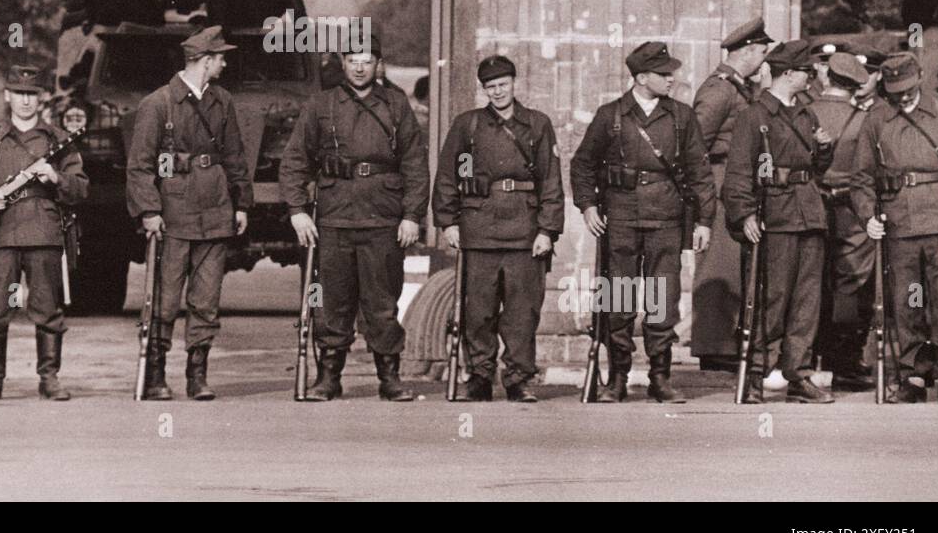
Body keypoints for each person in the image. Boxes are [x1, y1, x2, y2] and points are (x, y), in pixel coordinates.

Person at [279, 33, 429, 401]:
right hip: (334, 217)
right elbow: (295, 161)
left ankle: (389, 378)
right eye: (353, 59)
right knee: (333, 301)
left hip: (383, 216)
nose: (360, 66)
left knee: (382, 302)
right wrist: (298, 211)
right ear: (342, 63)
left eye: (367, 60)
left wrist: (412, 215)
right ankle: (329, 377)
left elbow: (415, 163)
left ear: (377, 64)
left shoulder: (395, 104)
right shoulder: (321, 105)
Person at [569, 42, 715, 403]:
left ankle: (660, 377)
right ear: (640, 77)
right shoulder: (611, 115)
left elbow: (699, 171)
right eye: (663, 74)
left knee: (662, 299)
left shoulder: (681, 117)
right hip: (619, 217)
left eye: (671, 73)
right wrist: (588, 206)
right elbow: (583, 164)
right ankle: (617, 376)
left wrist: (704, 221)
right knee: (618, 298)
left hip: (666, 218)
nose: (671, 79)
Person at [125, 26, 253, 400]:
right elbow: (140, 166)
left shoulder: (222, 101)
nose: (225, 63)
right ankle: (156, 374)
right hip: (173, 213)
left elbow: (234, 156)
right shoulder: (158, 103)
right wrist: (149, 210)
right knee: (163, 299)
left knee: (206, 299)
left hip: (215, 210)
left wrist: (242, 202)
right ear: (204, 61)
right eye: (220, 57)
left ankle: (197, 374)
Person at [431, 55, 564, 401]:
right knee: (478, 310)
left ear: (514, 83)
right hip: (480, 229)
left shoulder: (536, 125)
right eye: (491, 87)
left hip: (524, 230)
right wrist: (448, 221)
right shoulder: (469, 127)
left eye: (503, 84)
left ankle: (518, 378)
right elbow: (452, 176)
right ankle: (479, 375)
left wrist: (547, 230)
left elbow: (550, 181)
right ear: (484, 90)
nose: (498, 92)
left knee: (522, 312)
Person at [0, 66, 89, 401]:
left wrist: (56, 178)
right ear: (8, 96)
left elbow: (82, 188)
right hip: (0, 235)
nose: (26, 101)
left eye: (32, 94)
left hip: (43, 232)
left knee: (47, 308)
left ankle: (49, 378)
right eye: (19, 93)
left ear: (42, 97)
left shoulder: (58, 140)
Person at [722, 39, 835, 404]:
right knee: (768, 299)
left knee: (806, 302)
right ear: (789, 74)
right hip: (774, 213)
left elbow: (815, 169)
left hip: (808, 213)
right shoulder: (755, 115)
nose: (813, 74)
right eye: (807, 70)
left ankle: (797, 374)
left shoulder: (806, 112)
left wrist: (823, 150)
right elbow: (739, 170)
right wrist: (743, 214)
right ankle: (756, 372)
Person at [851, 52, 938, 405]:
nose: (902, 96)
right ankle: (914, 372)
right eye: (895, 90)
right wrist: (868, 214)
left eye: (907, 88)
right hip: (899, 224)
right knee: (908, 298)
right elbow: (861, 176)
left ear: (919, 79)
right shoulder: (877, 119)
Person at [691, 17, 773, 368]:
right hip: (719, 182)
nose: (764, 59)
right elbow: (695, 146)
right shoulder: (720, 89)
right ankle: (714, 347)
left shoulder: (739, 87)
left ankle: (729, 341)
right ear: (748, 51)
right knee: (719, 265)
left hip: (736, 181)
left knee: (736, 265)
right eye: (762, 52)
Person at [809, 53, 876, 390]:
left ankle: (808, 356)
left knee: (811, 281)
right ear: (855, 85)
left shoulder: (805, 113)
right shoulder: (864, 120)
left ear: (828, 78)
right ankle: (845, 361)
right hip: (852, 209)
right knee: (851, 283)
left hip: (811, 206)